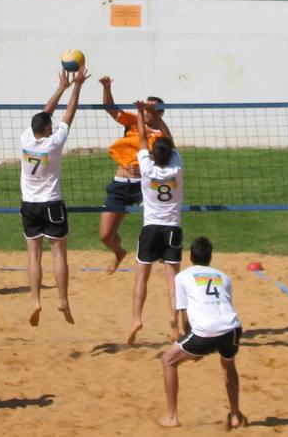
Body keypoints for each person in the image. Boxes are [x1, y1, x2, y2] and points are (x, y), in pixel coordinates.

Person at [20, 65, 90, 326]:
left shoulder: (26, 138)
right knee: (59, 255)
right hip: (52, 203)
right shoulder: (54, 142)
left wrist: (61, 87)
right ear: (48, 129)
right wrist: (77, 86)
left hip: (29, 205)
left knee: (33, 255)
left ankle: (36, 300)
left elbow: (44, 114)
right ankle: (62, 300)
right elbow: (67, 115)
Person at [159, 236, 246, 430]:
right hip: (232, 328)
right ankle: (235, 414)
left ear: (190, 257)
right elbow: (225, 306)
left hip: (206, 331)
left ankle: (172, 417)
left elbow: (185, 319)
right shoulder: (224, 277)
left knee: (168, 360)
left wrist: (194, 349)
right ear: (210, 257)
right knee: (228, 365)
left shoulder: (182, 277)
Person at [98, 76, 172, 273]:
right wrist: (107, 87)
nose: (148, 112)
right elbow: (109, 107)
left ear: (160, 113)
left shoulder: (161, 133)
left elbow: (168, 153)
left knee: (158, 219)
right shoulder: (132, 121)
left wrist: (145, 167)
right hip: (121, 184)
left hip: (144, 185)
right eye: (147, 108)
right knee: (106, 235)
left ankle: (165, 251)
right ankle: (119, 252)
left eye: (154, 109)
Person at [128, 101, 184, 345]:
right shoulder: (177, 167)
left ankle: (136, 319)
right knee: (172, 281)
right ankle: (174, 320)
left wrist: (141, 112)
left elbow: (141, 137)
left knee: (142, 278)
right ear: (170, 153)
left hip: (151, 228)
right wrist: (155, 114)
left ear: (153, 154)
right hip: (172, 229)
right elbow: (168, 137)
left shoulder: (146, 167)